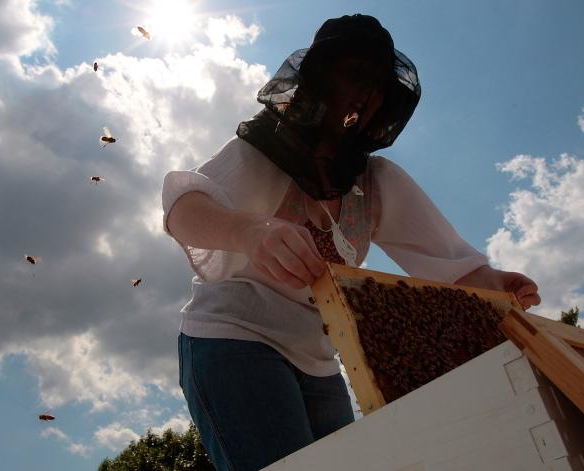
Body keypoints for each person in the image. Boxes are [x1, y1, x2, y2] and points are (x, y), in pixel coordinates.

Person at [161, 13, 541, 471]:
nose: (367, 95)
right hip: (235, 338)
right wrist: (250, 230)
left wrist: (497, 284)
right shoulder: (260, 151)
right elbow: (183, 207)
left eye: (379, 86)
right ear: (318, 80)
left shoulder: (376, 183)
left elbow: (451, 263)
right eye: (355, 76)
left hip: (320, 360)